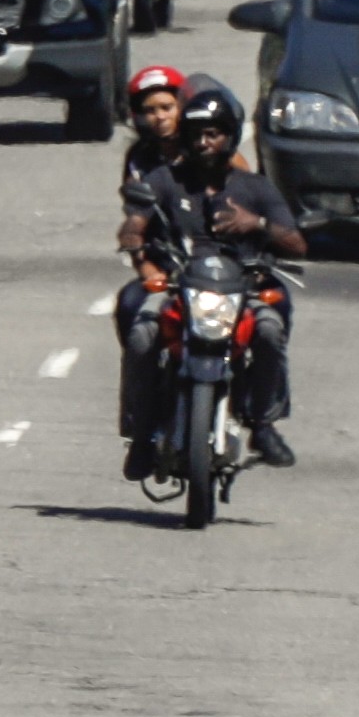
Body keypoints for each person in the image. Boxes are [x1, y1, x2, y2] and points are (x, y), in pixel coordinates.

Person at [116, 88, 305, 476]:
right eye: (197, 134)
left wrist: (259, 225)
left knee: (269, 329)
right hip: (178, 287)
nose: (204, 142)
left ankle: (262, 423)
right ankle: (142, 433)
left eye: (214, 133)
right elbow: (136, 222)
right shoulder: (165, 179)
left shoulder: (255, 188)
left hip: (242, 289)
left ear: (230, 137)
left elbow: (297, 244)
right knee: (141, 334)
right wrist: (135, 235)